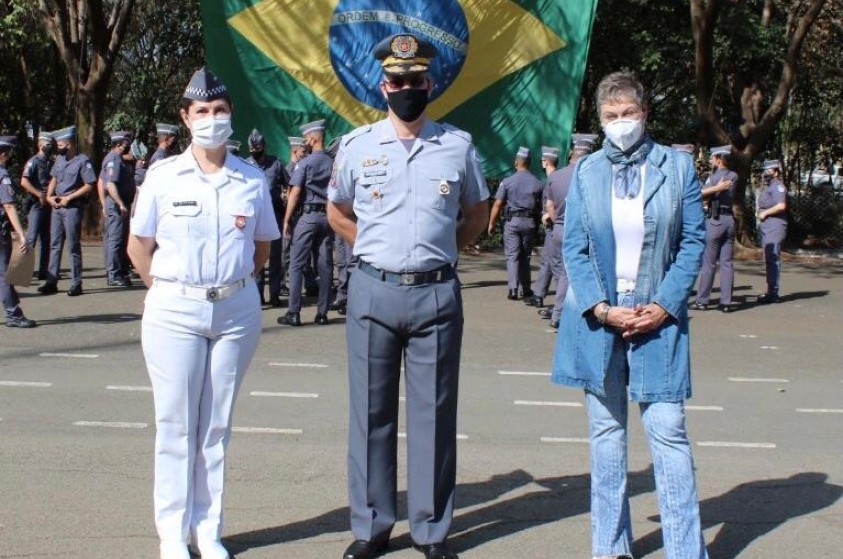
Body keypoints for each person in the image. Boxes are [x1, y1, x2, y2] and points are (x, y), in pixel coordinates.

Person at [328, 33, 489, 559]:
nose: (406, 89)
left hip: (436, 294)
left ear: (430, 83)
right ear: (383, 86)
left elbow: (477, 216)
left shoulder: (457, 147)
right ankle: (372, 525)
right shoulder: (356, 146)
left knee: (434, 416)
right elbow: (337, 212)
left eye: (415, 80)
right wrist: (373, 249)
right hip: (373, 291)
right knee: (370, 413)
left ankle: (430, 530)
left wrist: (441, 250)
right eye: (397, 81)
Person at [551, 70, 708, 559]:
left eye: (629, 114)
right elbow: (573, 246)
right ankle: (610, 547)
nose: (621, 123)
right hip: (598, 319)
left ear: (645, 114)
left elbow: (693, 243)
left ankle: (686, 549)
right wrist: (602, 306)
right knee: (606, 435)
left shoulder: (677, 169)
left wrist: (663, 305)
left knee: (669, 432)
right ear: (599, 120)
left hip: (657, 319)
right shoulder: (587, 173)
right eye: (610, 116)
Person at [127, 67, 280, 559]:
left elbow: (260, 250)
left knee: (216, 426)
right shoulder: (162, 176)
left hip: (235, 309)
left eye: (219, 111)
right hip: (174, 308)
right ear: (185, 118)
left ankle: (207, 529)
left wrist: (225, 288)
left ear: (230, 115)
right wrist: (173, 290)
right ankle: (172, 534)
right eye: (201, 112)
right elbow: (138, 247)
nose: (211, 120)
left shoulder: (251, 179)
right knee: (176, 424)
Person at [278, 119, 335, 326]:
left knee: (296, 263)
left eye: (306, 139)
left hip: (308, 217)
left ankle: (293, 312)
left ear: (313, 138)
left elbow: (295, 193)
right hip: (327, 217)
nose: (305, 143)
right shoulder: (333, 163)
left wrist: (286, 220)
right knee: (326, 265)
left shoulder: (305, 163)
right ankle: (323, 313)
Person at [543, 133, 598, 329]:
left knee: (564, 273)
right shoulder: (593, 176)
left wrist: (557, 219)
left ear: (572, 154)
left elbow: (549, 205)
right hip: (583, 230)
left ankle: (559, 313)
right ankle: (576, 313)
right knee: (584, 272)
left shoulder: (555, 176)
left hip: (559, 227)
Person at [38, 125, 96, 297]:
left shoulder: (82, 161)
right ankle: (51, 281)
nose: (57, 147)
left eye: (60, 144)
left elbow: (89, 185)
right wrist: (49, 196)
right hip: (56, 207)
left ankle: (76, 283)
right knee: (54, 245)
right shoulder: (59, 159)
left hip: (72, 208)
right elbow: (54, 178)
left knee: (73, 246)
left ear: (69, 143)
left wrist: (69, 198)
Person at [487, 146, 543, 300]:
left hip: (512, 222)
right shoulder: (538, 183)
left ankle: (513, 289)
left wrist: (491, 223)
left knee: (512, 256)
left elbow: (498, 204)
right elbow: (543, 206)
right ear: (529, 163)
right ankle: (526, 289)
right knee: (525, 256)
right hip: (530, 223)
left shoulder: (507, 181)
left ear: (516, 162)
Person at [691, 145, 737, 312]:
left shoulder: (713, 177)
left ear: (718, 159)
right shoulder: (734, 175)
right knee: (726, 263)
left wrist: (712, 190)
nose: (711, 161)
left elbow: (700, 194)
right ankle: (726, 302)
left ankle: (703, 300)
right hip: (729, 220)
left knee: (709, 263)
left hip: (715, 220)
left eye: (712, 158)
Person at [247, 128, 289, 306]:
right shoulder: (246, 164)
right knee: (256, 256)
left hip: (274, 215)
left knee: (275, 257)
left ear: (264, 146)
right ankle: (257, 296)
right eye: (253, 150)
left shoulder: (276, 164)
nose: (256, 153)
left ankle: (275, 295)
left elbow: (288, 185)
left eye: (258, 149)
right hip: (253, 218)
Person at [0, 136, 37, 328]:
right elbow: (8, 206)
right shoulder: (2, 175)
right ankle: (13, 314)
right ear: (4, 154)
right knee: (4, 274)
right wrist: (21, 234)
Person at [524, 145, 560, 309]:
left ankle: (561, 303)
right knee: (547, 260)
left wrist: (550, 216)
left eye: (542, 161)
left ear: (545, 162)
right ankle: (538, 294)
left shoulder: (554, 179)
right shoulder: (553, 179)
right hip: (551, 227)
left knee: (556, 263)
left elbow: (557, 203)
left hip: (555, 225)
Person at [101, 130, 136, 287]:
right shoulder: (113, 160)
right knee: (115, 240)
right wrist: (120, 203)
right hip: (116, 206)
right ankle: (114, 274)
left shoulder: (118, 159)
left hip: (121, 204)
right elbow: (109, 184)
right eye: (126, 144)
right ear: (118, 144)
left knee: (120, 239)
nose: (128, 146)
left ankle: (119, 272)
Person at [20, 131, 56, 280]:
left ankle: (43, 271)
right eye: (47, 144)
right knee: (31, 238)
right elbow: (24, 181)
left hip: (48, 205)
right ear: (40, 144)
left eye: (51, 145)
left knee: (47, 239)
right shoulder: (33, 162)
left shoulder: (51, 162)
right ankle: (21, 271)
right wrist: (38, 193)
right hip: (36, 204)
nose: (49, 147)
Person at [756, 159, 787, 304]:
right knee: (769, 258)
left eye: (769, 171)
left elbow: (781, 205)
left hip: (775, 225)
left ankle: (773, 293)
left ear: (776, 172)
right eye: (765, 171)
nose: (766, 174)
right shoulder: (769, 186)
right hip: (767, 226)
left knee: (773, 258)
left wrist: (765, 213)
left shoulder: (778, 187)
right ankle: (770, 290)